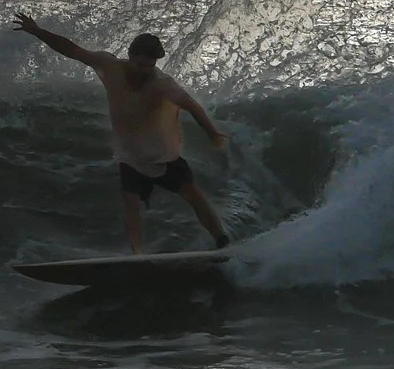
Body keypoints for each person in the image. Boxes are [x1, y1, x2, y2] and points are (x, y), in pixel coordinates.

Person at [13, 15, 232, 252]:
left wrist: (213, 133)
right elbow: (71, 49)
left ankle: (221, 239)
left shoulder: (162, 84)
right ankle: (137, 255)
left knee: (193, 196)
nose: (146, 71)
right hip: (131, 154)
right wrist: (37, 31)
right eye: (141, 64)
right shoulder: (109, 66)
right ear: (130, 56)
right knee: (130, 203)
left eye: (151, 65)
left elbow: (192, 106)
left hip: (162, 153)